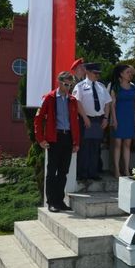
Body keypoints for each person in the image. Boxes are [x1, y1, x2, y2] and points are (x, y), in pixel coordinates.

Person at [34, 71, 80, 212]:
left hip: (68, 138)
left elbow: (75, 122)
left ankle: (60, 201)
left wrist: (76, 142)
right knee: (52, 171)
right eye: (66, 84)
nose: (68, 87)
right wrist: (40, 139)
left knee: (63, 171)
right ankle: (51, 202)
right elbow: (38, 119)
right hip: (54, 138)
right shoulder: (49, 98)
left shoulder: (72, 100)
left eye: (70, 85)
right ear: (59, 83)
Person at [73, 63, 112, 181]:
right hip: (85, 120)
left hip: (98, 120)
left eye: (99, 73)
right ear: (88, 72)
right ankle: (83, 174)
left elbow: (107, 103)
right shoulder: (80, 86)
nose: (97, 75)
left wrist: (106, 118)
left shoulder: (101, 86)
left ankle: (93, 172)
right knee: (84, 147)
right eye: (95, 73)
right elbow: (77, 103)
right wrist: (85, 118)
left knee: (95, 147)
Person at [110, 64, 135, 177]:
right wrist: (114, 120)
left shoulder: (133, 87)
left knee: (127, 145)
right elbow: (112, 105)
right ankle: (116, 169)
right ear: (121, 74)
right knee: (117, 144)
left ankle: (126, 169)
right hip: (119, 118)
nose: (130, 74)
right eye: (127, 72)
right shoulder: (115, 87)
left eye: (130, 72)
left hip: (130, 118)